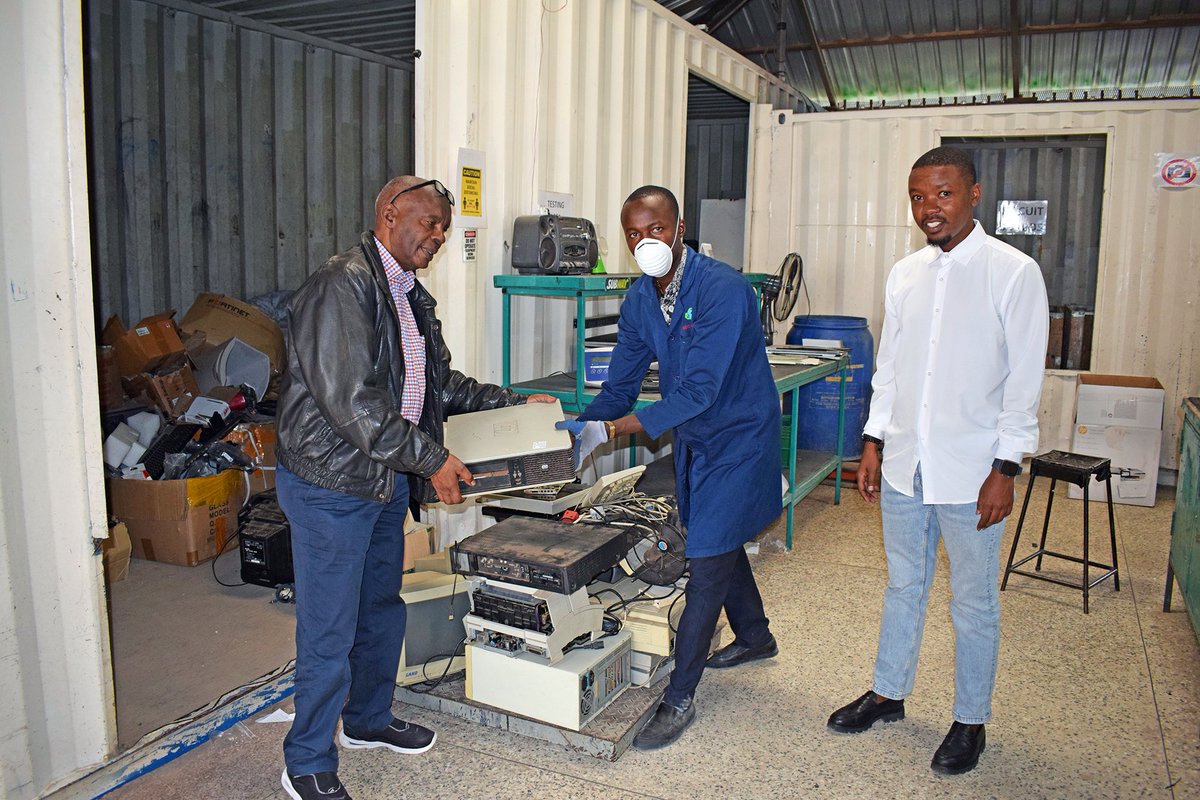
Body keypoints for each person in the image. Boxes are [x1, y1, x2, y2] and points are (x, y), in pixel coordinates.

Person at [274, 175, 552, 800]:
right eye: (427, 222)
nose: (437, 236)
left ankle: (366, 721)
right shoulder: (341, 284)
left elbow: (439, 387)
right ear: (389, 211)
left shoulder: (410, 297)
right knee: (330, 624)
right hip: (331, 482)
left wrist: (515, 404)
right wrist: (432, 460)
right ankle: (306, 760)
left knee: (379, 608)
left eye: (444, 229)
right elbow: (352, 402)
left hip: (380, 480)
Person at [826, 147, 1049, 775]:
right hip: (905, 463)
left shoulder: (1013, 273)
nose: (930, 208)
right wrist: (873, 442)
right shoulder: (905, 274)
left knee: (973, 602)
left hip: (974, 471)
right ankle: (889, 693)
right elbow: (891, 369)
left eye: (943, 194)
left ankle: (970, 719)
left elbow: (1023, 381)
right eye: (920, 196)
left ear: (974, 194)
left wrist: (1006, 468)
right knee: (903, 584)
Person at [558, 185, 783, 750]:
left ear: (679, 229)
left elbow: (703, 389)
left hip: (737, 436)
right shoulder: (639, 299)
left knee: (705, 558)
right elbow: (623, 382)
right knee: (718, 537)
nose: (645, 241)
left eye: (656, 228)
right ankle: (755, 637)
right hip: (693, 440)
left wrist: (617, 429)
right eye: (634, 233)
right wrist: (585, 423)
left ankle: (680, 693)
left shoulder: (724, 289)